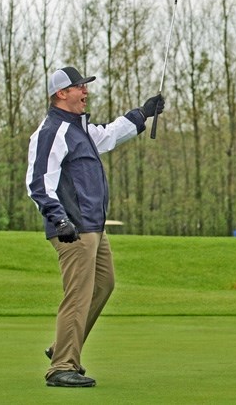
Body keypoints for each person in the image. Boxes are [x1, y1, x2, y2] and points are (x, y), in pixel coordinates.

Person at [26, 66, 164, 387]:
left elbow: (110, 134)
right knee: (79, 293)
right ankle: (61, 366)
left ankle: (62, 346)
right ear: (61, 93)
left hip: (93, 227)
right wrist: (58, 219)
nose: (86, 92)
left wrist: (142, 113)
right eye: (79, 88)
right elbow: (38, 182)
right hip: (71, 226)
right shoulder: (52, 131)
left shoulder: (80, 129)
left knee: (104, 284)